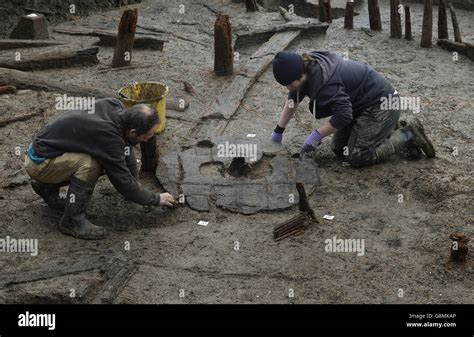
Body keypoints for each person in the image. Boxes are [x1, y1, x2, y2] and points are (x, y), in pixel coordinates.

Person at [24, 97, 177, 240]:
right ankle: (72, 221)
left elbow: (126, 150)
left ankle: (46, 188)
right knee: (91, 165)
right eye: (147, 136)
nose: (148, 139)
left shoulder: (115, 106)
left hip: (49, 150)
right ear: (133, 132)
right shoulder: (108, 137)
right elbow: (122, 182)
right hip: (40, 164)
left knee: (97, 157)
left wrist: (135, 182)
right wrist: (156, 199)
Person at [270, 50, 435, 165]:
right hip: (361, 105)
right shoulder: (305, 67)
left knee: (357, 156)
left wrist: (317, 135)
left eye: (290, 84)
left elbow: (343, 116)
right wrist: (278, 131)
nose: (289, 88)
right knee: (339, 149)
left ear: (302, 73)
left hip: (383, 104)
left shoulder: (324, 82)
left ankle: (408, 134)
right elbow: (293, 101)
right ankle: (388, 129)